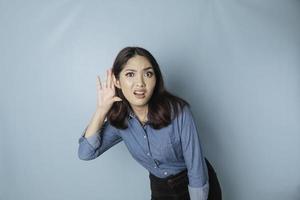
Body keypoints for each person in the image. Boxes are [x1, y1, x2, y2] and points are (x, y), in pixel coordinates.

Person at [78, 47, 222, 200]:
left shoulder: (179, 112)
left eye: (148, 74)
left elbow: (196, 168)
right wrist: (101, 110)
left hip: (196, 186)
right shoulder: (120, 121)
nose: (140, 83)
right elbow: (86, 153)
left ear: (156, 79)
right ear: (117, 81)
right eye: (130, 74)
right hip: (161, 188)